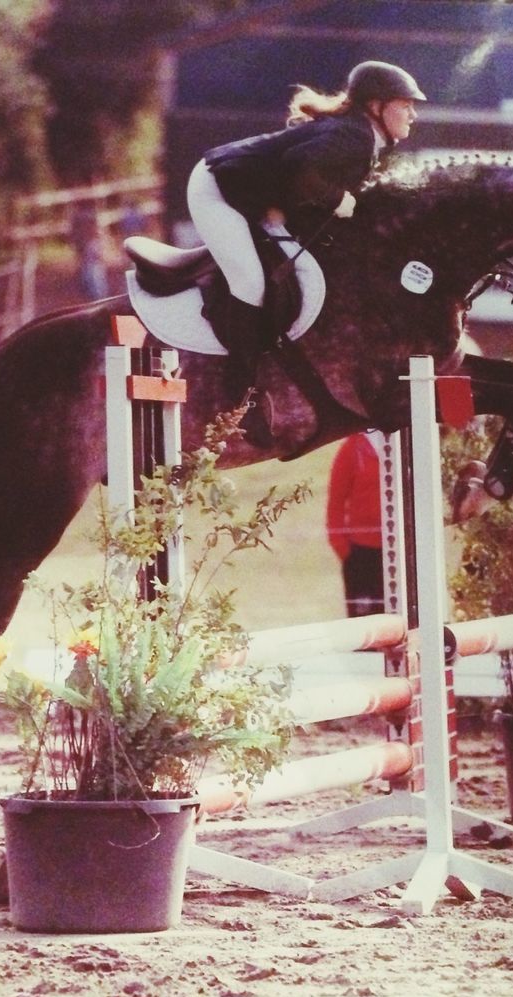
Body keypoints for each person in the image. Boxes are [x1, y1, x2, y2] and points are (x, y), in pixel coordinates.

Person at [188, 60, 427, 444]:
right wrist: (338, 199)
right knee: (251, 283)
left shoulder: (366, 138)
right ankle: (237, 404)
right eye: (405, 104)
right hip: (217, 190)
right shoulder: (356, 137)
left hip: (251, 193)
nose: (413, 113)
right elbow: (300, 167)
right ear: (376, 107)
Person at [326, 430, 387, 617]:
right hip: (361, 553)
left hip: (400, 550)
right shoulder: (352, 449)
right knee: (365, 618)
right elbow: (335, 502)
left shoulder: (402, 445)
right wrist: (343, 548)